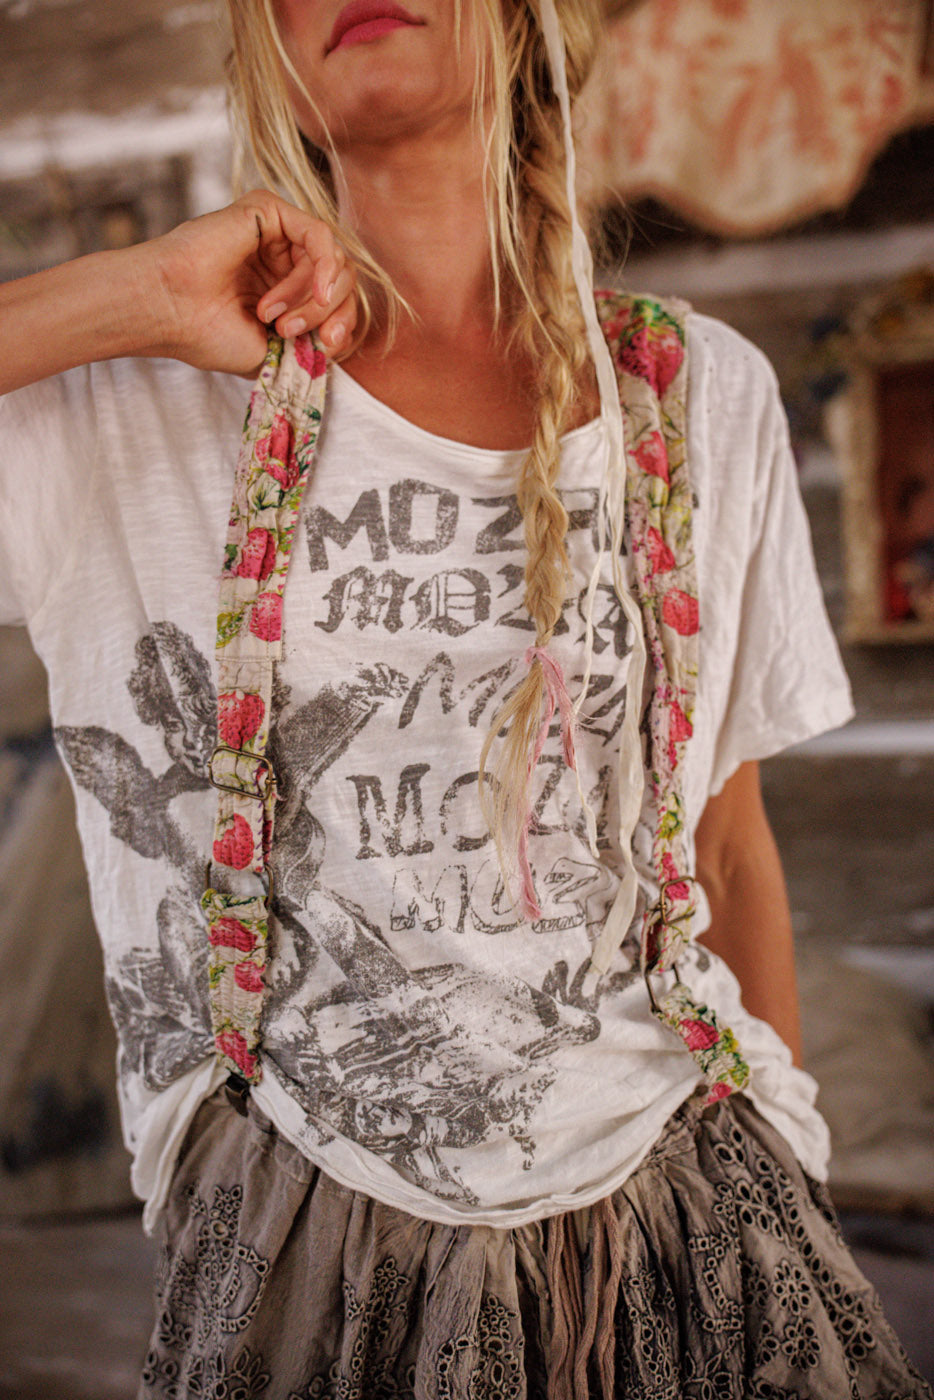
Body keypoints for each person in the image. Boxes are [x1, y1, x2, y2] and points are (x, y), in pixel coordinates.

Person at [0, 1, 929, 1396]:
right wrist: (138, 294)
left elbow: (726, 847)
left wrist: (787, 1161)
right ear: (263, 52)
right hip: (304, 1221)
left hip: (696, 1197)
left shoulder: (697, 396)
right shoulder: (131, 403)